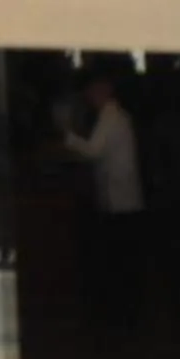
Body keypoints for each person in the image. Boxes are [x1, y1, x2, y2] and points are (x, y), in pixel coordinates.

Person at [61, 72, 144, 329]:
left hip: (119, 199)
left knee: (118, 257)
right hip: (123, 197)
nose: (89, 97)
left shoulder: (110, 116)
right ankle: (126, 313)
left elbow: (94, 151)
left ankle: (121, 315)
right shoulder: (118, 115)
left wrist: (69, 137)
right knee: (123, 257)